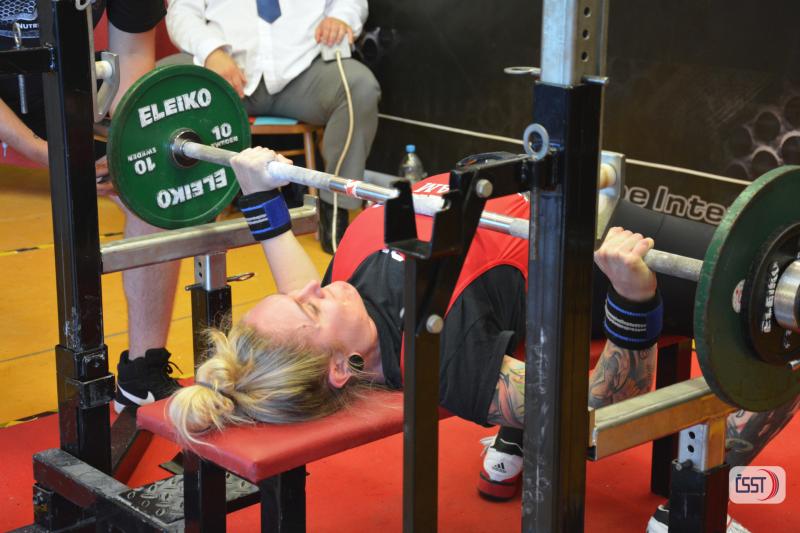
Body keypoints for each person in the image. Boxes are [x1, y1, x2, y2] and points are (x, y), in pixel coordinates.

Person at [0, 1, 183, 412]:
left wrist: (129, 149)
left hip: (65, 84)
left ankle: (143, 374)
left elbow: (132, 55)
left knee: (153, 185)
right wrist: (41, 150)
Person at [165, 0, 381, 254]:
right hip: (225, 74)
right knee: (161, 79)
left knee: (359, 86)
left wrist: (341, 17)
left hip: (302, 72)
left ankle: (335, 209)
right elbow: (181, 12)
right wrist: (211, 51)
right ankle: (192, 207)